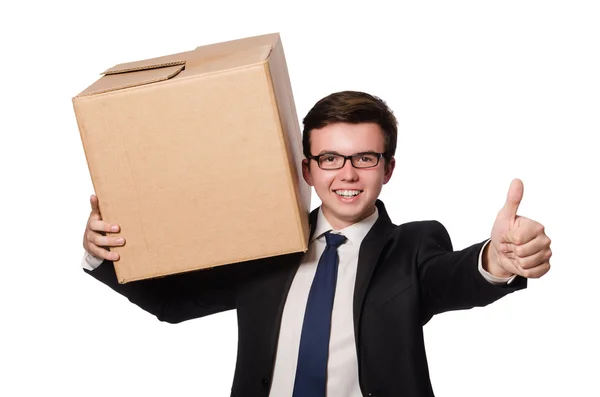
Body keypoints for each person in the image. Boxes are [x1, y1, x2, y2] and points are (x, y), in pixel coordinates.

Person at [81, 91, 552, 397]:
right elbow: (174, 303)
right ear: (308, 170)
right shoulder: (266, 247)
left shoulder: (413, 247)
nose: (347, 174)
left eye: (364, 158)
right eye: (330, 158)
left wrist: (497, 259)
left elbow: (452, 278)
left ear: (387, 169)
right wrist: (102, 255)